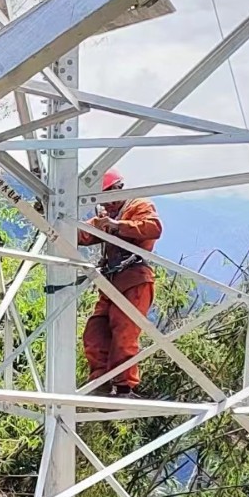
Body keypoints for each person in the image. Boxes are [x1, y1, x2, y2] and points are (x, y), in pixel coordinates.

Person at [78, 168, 162, 398]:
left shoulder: (138, 206)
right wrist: (51, 221)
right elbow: (82, 234)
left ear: (118, 189)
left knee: (124, 333)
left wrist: (117, 225)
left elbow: (153, 227)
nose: (107, 204)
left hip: (135, 280)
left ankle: (124, 386)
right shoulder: (107, 216)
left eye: (109, 196)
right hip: (112, 283)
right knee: (95, 331)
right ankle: (101, 382)